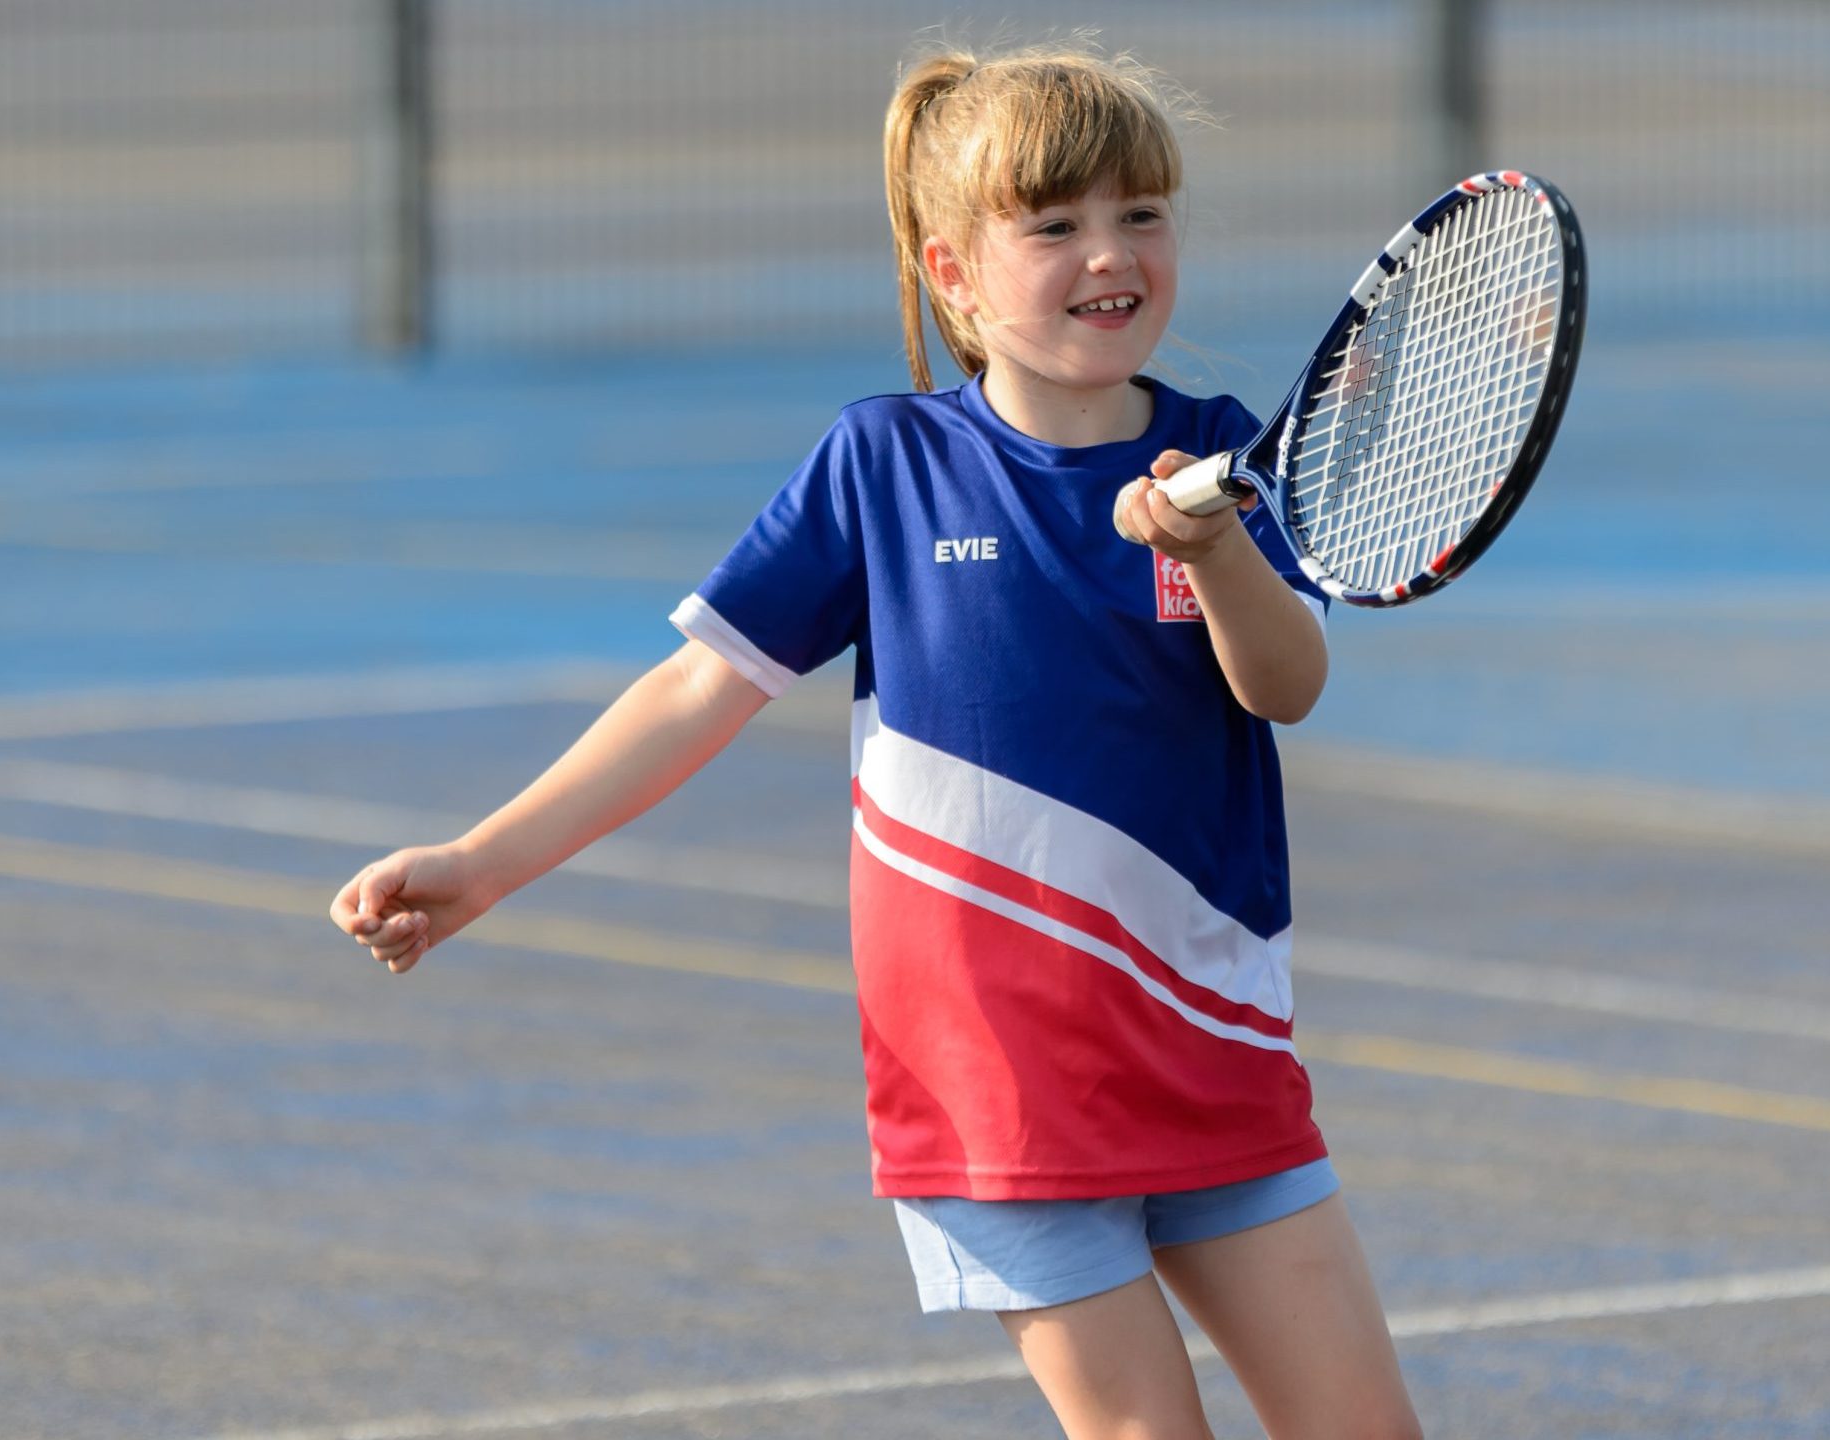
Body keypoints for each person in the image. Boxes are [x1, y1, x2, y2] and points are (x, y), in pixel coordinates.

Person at [329, 40, 1422, 1440]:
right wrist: (482, 862)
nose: (1111, 254)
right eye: (1056, 225)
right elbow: (695, 690)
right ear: (954, 271)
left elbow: (1286, 684)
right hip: (998, 1092)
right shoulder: (883, 468)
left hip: (1214, 1052)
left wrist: (1211, 550)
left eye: (1141, 213)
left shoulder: (1221, 458)